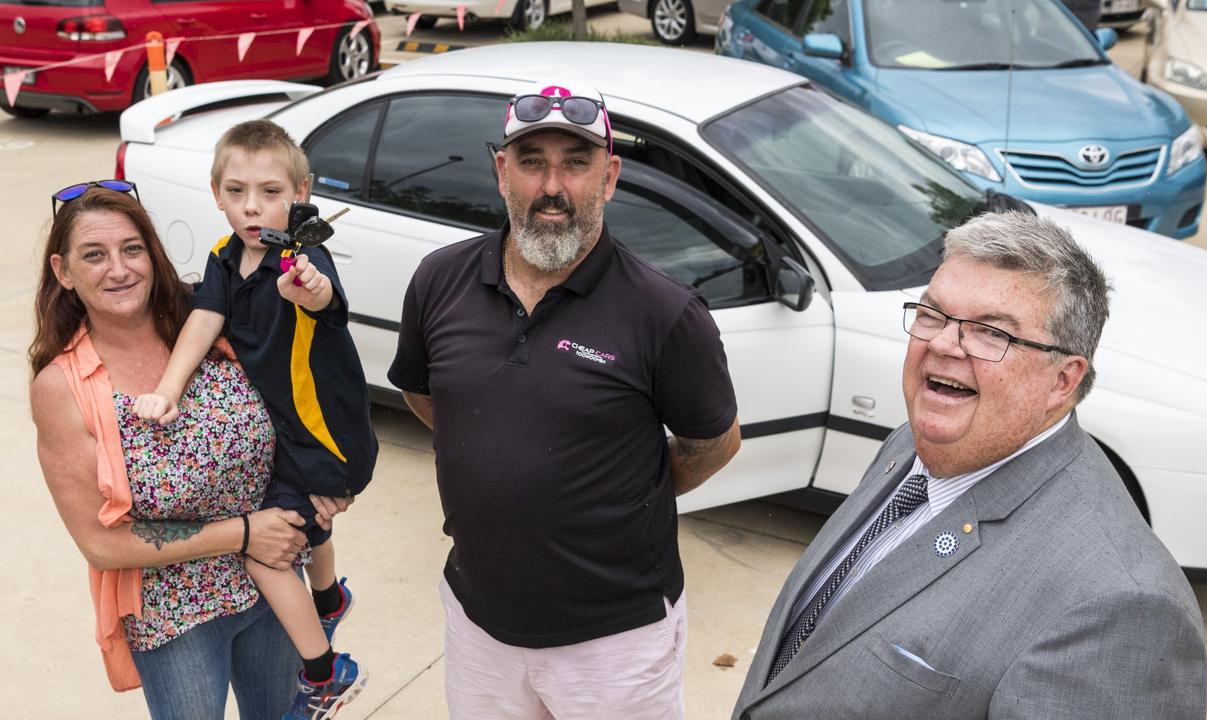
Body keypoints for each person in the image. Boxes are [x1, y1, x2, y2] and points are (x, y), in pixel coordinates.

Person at [733, 211, 1207, 719]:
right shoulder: (912, 445)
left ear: (1064, 380)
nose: (941, 343)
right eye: (932, 315)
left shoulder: (1123, 607)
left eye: (989, 332)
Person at [389, 80, 742, 719]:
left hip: (616, 641)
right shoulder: (439, 281)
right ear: (502, 172)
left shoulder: (665, 312)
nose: (553, 186)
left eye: (575, 163)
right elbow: (425, 393)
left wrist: (619, 495)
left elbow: (713, 444)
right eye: (532, 162)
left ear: (609, 177)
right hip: (478, 624)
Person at [29, 183, 310, 719]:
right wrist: (247, 532)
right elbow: (101, 543)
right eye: (95, 255)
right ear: (64, 272)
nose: (119, 269)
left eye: (131, 249)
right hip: (175, 616)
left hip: (276, 581)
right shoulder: (62, 388)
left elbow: (300, 391)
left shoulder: (209, 320)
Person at [131, 120, 377, 719]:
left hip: (326, 438)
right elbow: (203, 320)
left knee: (265, 551)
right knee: (303, 523)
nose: (251, 206)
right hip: (288, 437)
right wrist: (168, 389)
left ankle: (325, 673)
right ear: (216, 193)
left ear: (301, 192)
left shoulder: (303, 258)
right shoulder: (223, 257)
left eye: (270, 191)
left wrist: (308, 288)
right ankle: (328, 596)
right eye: (236, 191)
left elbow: (323, 298)